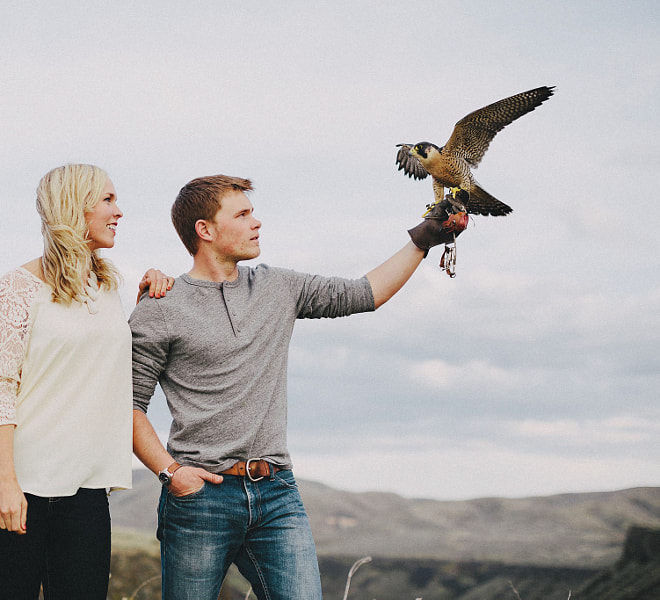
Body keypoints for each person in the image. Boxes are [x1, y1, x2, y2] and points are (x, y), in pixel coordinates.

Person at [128, 175, 463, 600]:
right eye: (243, 214)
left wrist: (424, 239)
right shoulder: (161, 308)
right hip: (200, 499)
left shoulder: (277, 286)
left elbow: (364, 293)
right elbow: (127, 405)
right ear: (205, 230)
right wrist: (172, 475)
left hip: (276, 495)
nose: (257, 223)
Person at [0, 163, 171, 600]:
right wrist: (5, 483)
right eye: (108, 200)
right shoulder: (17, 287)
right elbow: (0, 386)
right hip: (17, 487)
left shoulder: (107, 285)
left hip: (85, 489)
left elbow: (105, 353)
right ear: (75, 206)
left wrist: (153, 295)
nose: (119, 211)